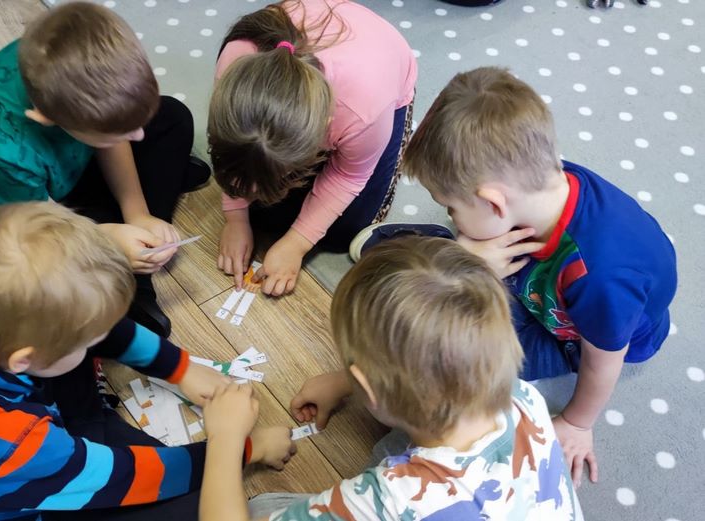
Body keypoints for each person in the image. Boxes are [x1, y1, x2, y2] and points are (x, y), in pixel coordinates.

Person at [0, 202, 294, 521]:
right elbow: (130, 479)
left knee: (71, 337)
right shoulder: (16, 444)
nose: (102, 340)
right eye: (91, 339)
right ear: (23, 359)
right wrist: (240, 446)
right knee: (191, 506)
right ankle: (87, 432)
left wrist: (178, 368)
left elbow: (89, 323)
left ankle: (87, 424)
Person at [351, 67, 677, 488]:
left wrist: (578, 422)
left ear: (494, 204)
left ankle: (457, 265)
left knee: (459, 361)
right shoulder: (541, 181)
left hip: (575, 337)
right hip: (539, 279)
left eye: (450, 207)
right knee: (417, 265)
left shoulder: (601, 280)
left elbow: (603, 362)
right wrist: (469, 259)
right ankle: (461, 258)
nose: (450, 215)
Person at [200, 236, 582, 520]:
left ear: (369, 389)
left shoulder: (388, 500)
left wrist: (227, 439)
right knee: (391, 448)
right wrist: (348, 381)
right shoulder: (524, 396)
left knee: (260, 507)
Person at [0, 2, 209, 337]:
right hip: (12, 217)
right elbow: (42, 230)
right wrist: (107, 239)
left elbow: (114, 132)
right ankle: (132, 286)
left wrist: (137, 212)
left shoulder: (64, 64)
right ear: (47, 120)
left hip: (55, 165)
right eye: (121, 132)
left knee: (172, 117)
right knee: (51, 271)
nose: (138, 135)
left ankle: (137, 231)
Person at [210, 0, 417, 296]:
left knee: (343, 232)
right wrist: (236, 217)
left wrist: (297, 244)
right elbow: (231, 149)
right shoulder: (235, 62)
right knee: (265, 213)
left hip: (381, 66)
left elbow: (349, 175)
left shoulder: (361, 110)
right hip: (312, 45)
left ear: (323, 130)